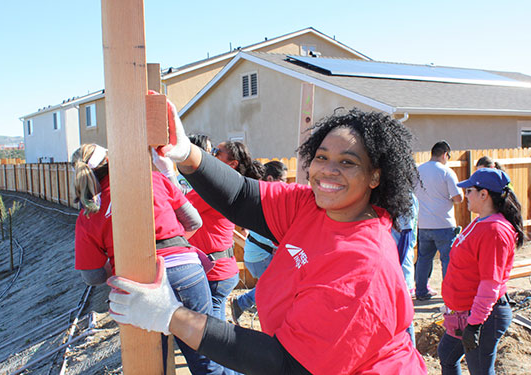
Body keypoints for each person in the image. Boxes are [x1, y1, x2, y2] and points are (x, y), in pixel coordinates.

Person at [108, 105, 427, 374]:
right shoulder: (312, 207)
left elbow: (285, 364)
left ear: (375, 176)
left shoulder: (362, 268)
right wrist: (186, 153)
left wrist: (171, 316)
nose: (328, 171)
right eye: (321, 157)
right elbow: (241, 197)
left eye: (348, 162)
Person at [72, 144, 225, 375]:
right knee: (205, 355)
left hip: (139, 282)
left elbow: (92, 276)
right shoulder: (152, 180)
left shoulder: (89, 213)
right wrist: (169, 242)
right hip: (185, 269)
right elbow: (194, 222)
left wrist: (117, 259)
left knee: (151, 363)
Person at [437, 168, 524, 375]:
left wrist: (475, 324)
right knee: (447, 354)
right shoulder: (480, 222)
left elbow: (490, 284)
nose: (465, 195)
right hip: (464, 313)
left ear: (484, 194)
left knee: (480, 371)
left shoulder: (494, 231)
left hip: (482, 317)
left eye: (469, 191)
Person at [183, 140, 263, 323]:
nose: (212, 154)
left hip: (214, 271)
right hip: (220, 268)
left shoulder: (215, 188)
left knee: (212, 334)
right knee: (212, 331)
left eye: (217, 152)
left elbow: (179, 206)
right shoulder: (228, 185)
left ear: (232, 163)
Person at [230, 161, 288, 324]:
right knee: (276, 287)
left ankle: (243, 304)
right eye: (283, 180)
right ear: (270, 179)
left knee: (276, 287)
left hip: (258, 255)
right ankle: (241, 304)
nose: (286, 184)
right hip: (260, 258)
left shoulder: (262, 198)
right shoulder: (267, 202)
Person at [414, 140, 463, 300]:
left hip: (423, 224)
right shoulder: (446, 172)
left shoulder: (418, 170)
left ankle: (421, 292)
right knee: (447, 259)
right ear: (444, 154)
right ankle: (449, 294)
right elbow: (458, 198)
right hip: (444, 223)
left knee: (423, 259)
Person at [391, 192, 418, 345]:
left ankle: (411, 356)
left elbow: (405, 238)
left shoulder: (404, 197)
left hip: (400, 270)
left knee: (404, 320)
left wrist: (394, 267)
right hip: (392, 270)